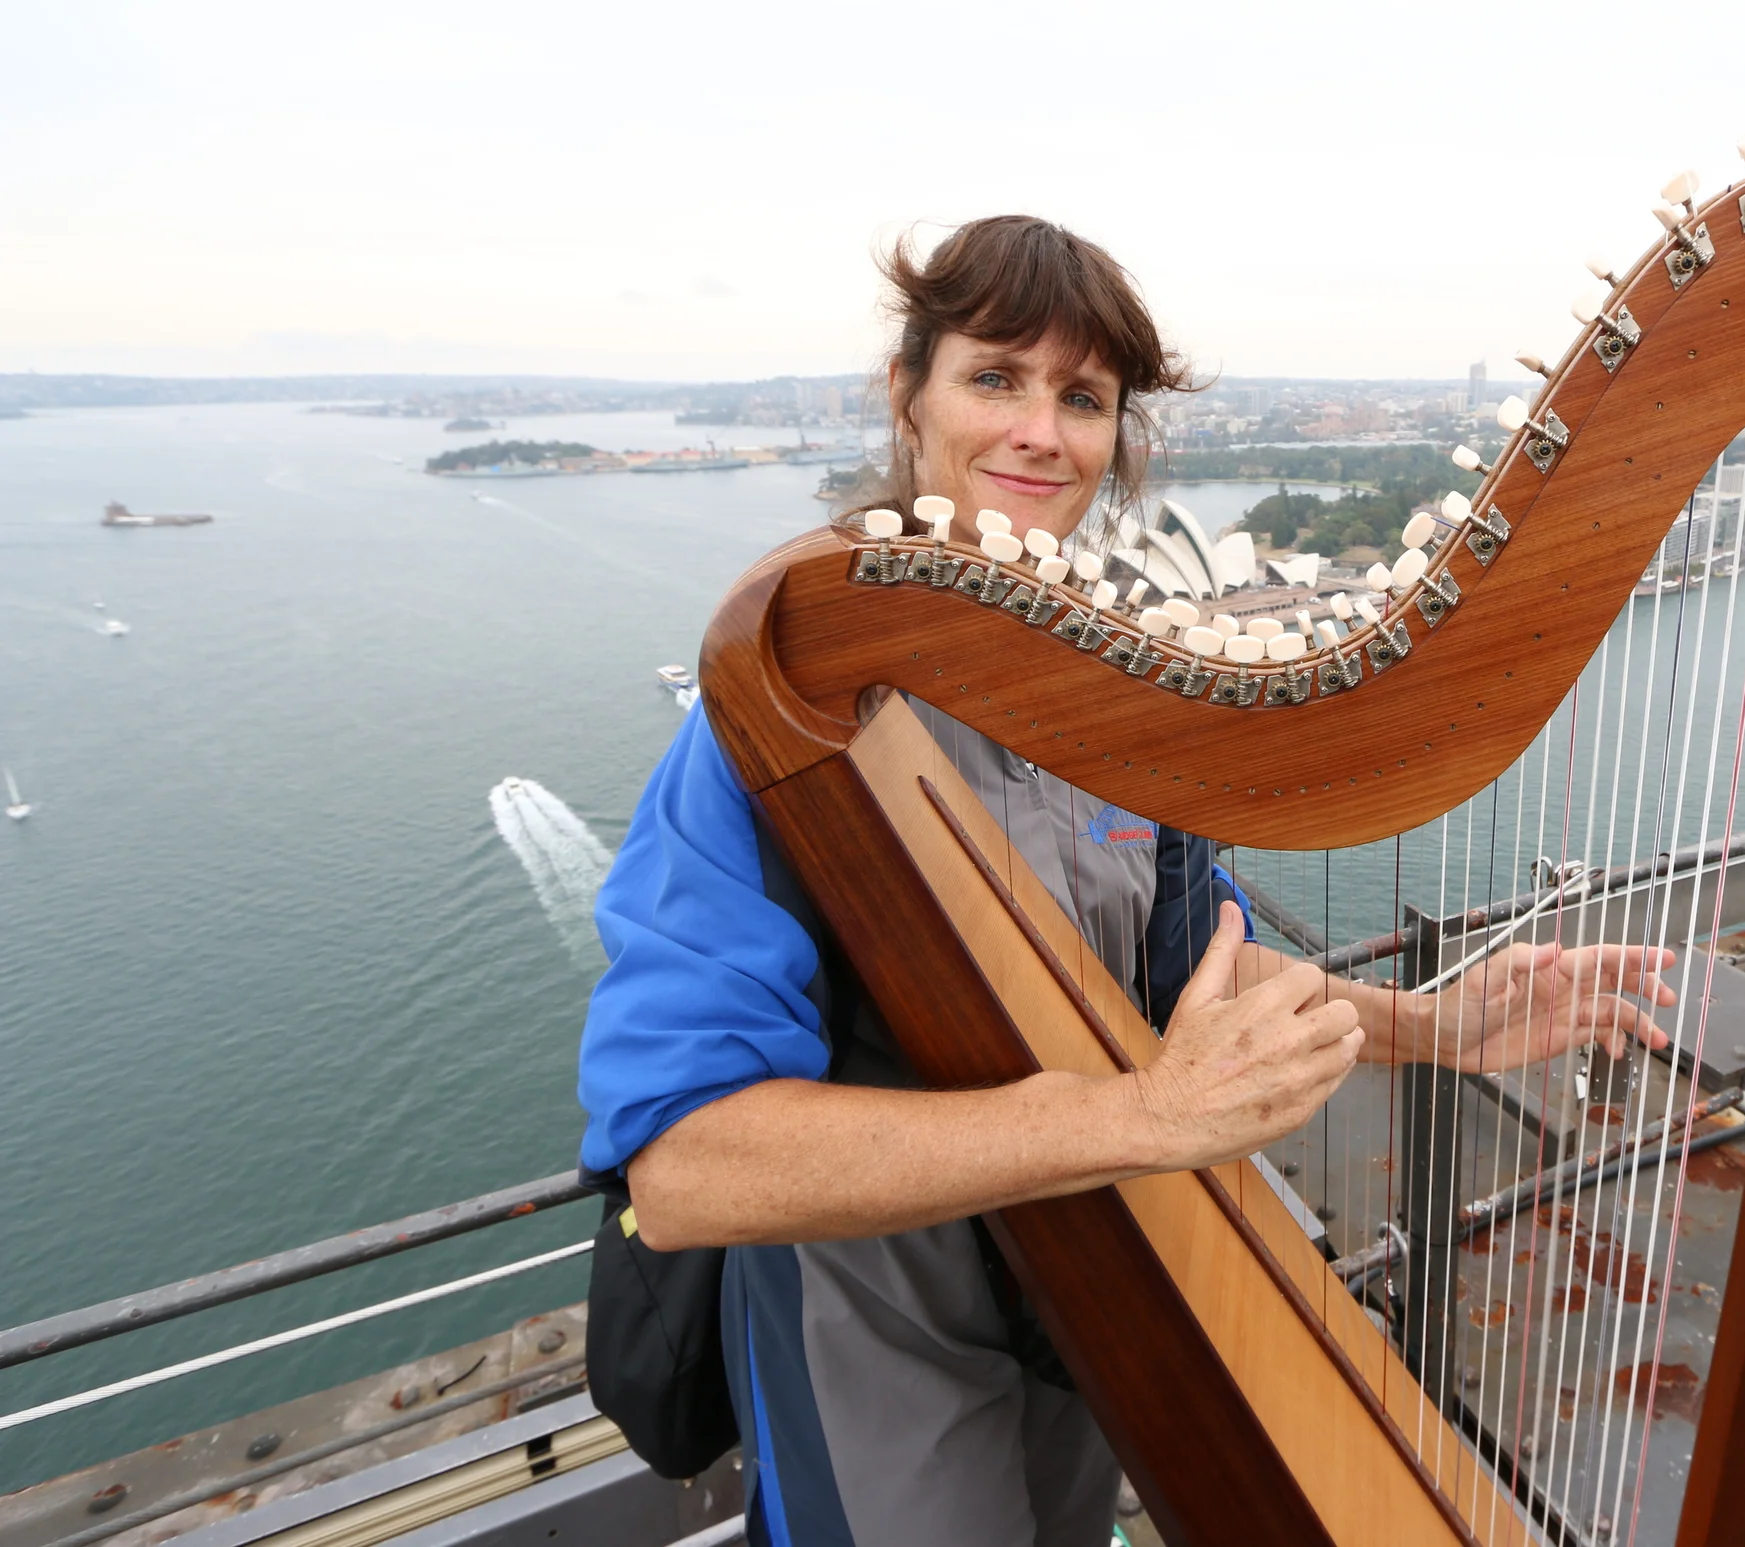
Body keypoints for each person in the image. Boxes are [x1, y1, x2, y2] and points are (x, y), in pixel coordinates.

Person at [576, 216, 1674, 1544]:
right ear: (907, 396)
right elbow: (686, 1167)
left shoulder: (1115, 696)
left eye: (1082, 395)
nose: (1043, 429)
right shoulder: (781, 721)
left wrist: (1438, 1022)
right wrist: (1138, 1120)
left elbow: (1183, 974)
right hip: (873, 1329)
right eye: (996, 377)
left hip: (1084, 1286)